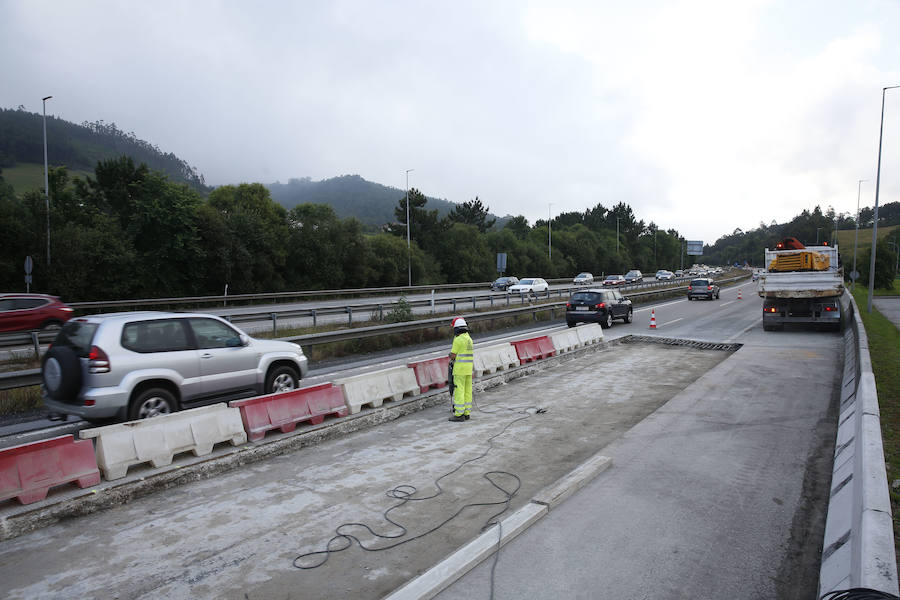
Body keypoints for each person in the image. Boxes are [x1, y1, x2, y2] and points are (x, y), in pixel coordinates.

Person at [448, 316, 473, 422]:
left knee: (459, 390)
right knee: (468, 390)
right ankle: (467, 413)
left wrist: (450, 355)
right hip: (468, 369)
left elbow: (453, 355)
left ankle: (459, 414)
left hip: (459, 370)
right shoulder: (469, 339)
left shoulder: (458, 340)